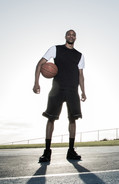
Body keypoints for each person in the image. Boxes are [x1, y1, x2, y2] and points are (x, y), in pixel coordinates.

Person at [33, 30, 86, 163]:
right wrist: (36, 83)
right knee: (51, 118)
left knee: (73, 119)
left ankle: (71, 150)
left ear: (76, 38)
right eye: (69, 34)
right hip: (57, 89)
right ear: (65, 36)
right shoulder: (55, 49)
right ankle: (47, 152)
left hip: (73, 90)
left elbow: (81, 75)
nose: (71, 36)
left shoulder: (79, 55)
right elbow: (40, 64)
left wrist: (83, 91)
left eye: (73, 35)